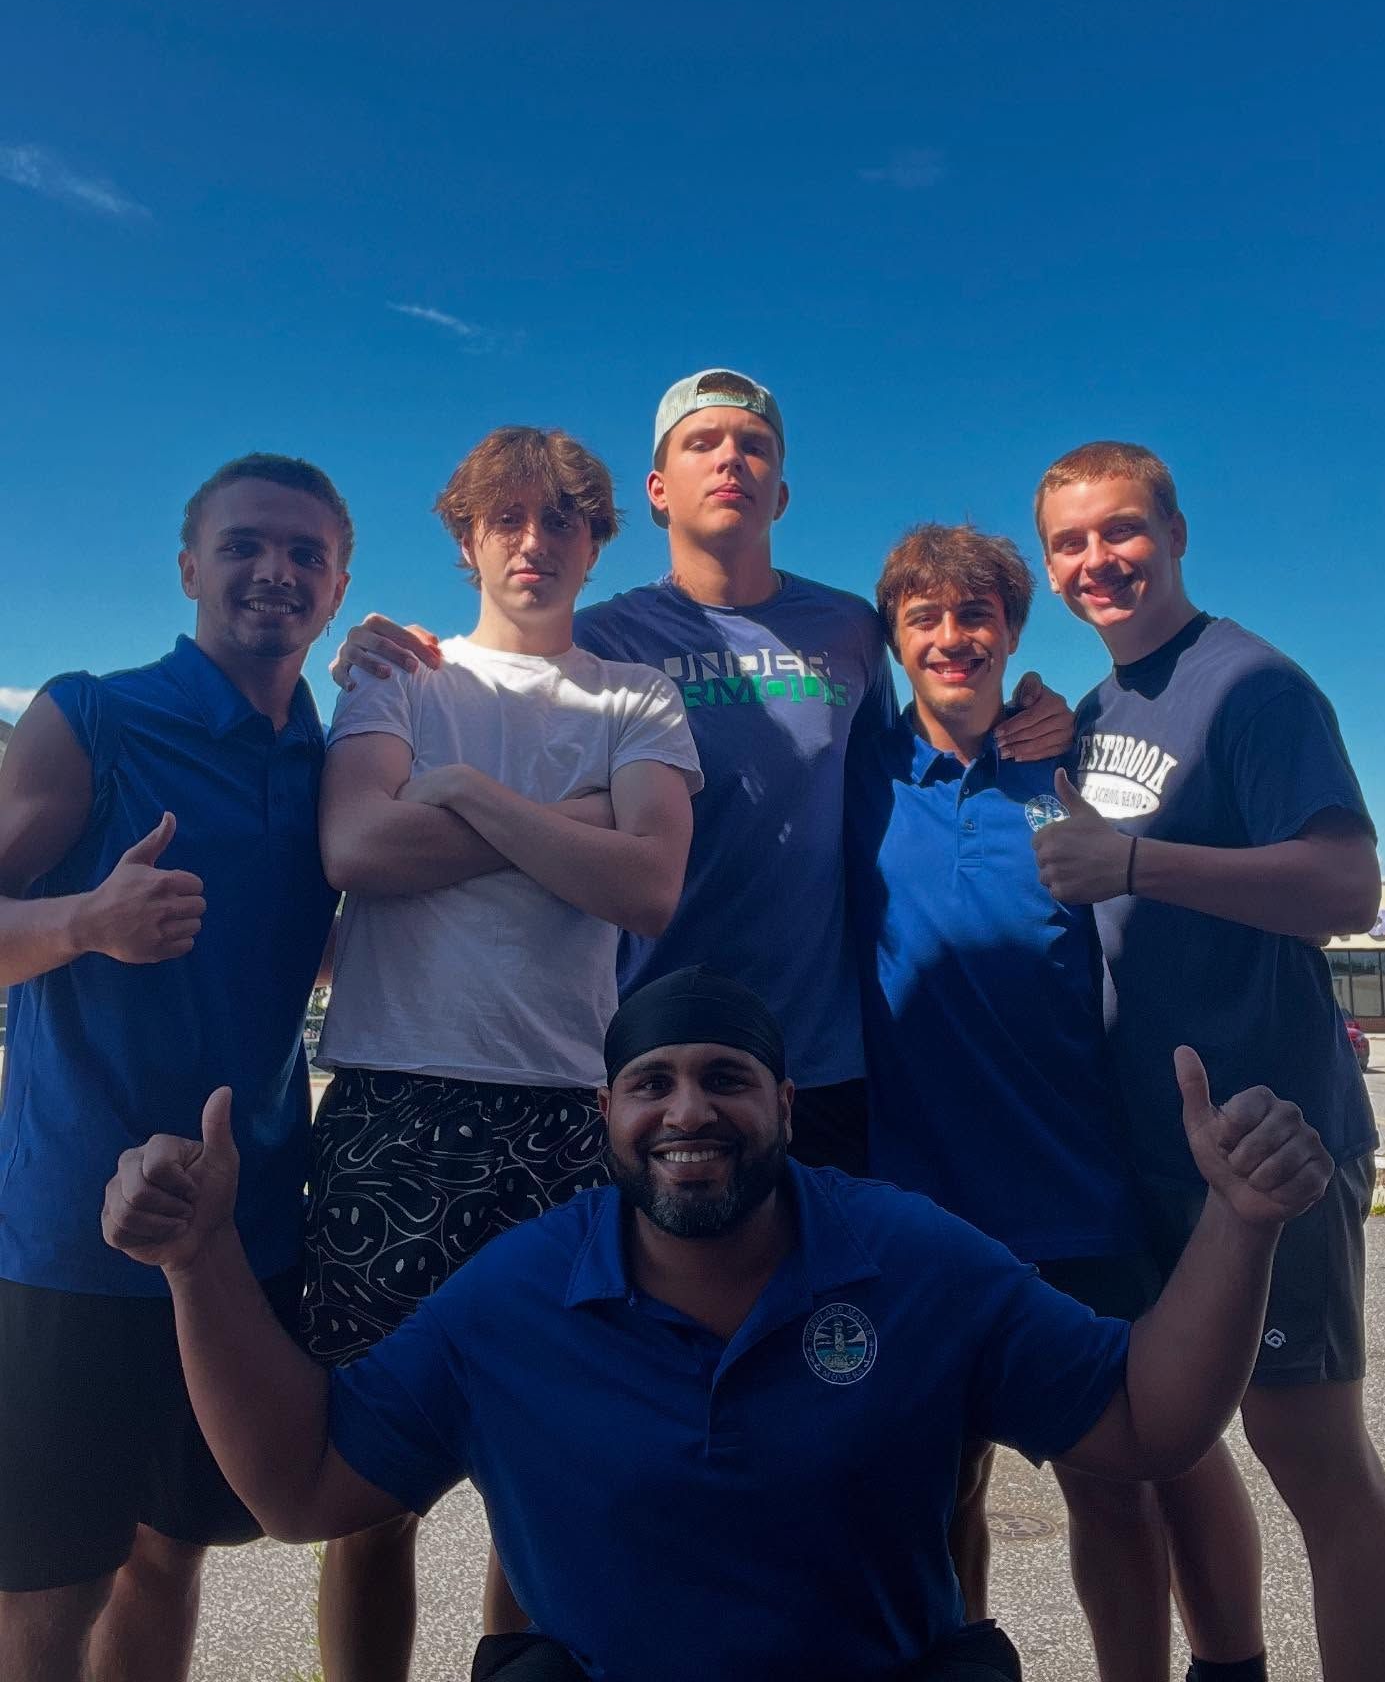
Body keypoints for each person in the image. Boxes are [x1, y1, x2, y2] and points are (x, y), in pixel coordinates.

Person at [102, 966, 1335, 1682]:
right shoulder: (517, 1294)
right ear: (607, 1115)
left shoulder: (912, 1257)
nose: (688, 1110)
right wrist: (198, 1262)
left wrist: (1242, 1224)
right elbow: (306, 1490)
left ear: (786, 1104)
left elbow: (1144, 1423)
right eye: (653, 1083)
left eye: (726, 1078)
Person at [333, 367, 1072, 1179]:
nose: (730, 461)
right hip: (651, 1034)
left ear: (781, 493)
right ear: (657, 490)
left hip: (822, 1043)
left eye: (754, 446)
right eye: (702, 443)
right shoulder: (606, 638)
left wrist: (1028, 706)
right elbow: (513, 656)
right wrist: (384, 644)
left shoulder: (850, 629)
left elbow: (904, 761)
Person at [307, 426, 701, 1682]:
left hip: (562, 1120)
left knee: (546, 1478)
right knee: (370, 1489)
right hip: (394, 1100)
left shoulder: (636, 696)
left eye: (562, 522)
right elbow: (357, 853)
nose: (535, 544)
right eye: (508, 521)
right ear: (468, 537)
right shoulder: (398, 678)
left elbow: (647, 886)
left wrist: (470, 796)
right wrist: (569, 823)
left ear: (596, 541)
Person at [1032, 439, 1385, 1682]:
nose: (1101, 560)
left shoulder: (1253, 687)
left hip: (1273, 1138)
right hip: (1141, 1146)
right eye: (1073, 543)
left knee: (1312, 1456)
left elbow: (1346, 885)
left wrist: (1138, 864)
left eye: (1123, 530)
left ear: (1177, 531)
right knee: (1171, 1441)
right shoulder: (1094, 718)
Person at [0, 453, 351, 1682]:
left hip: (245, 1242)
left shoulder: (339, 763)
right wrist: (82, 922)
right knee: (47, 1590)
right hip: (68, 1244)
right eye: (247, 543)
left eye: (307, 553)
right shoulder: (90, 715)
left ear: (341, 582)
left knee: (171, 1552)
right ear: (190, 566)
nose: (277, 570)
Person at [847, 521, 1190, 1681]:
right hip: (919, 1209)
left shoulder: (1069, 773)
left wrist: (1052, 731)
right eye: (926, 618)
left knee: (1116, 1492)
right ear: (895, 639)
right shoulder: (860, 776)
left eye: (976, 615)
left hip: (1076, 1197)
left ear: (1012, 630)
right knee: (937, 1496)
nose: (953, 637)